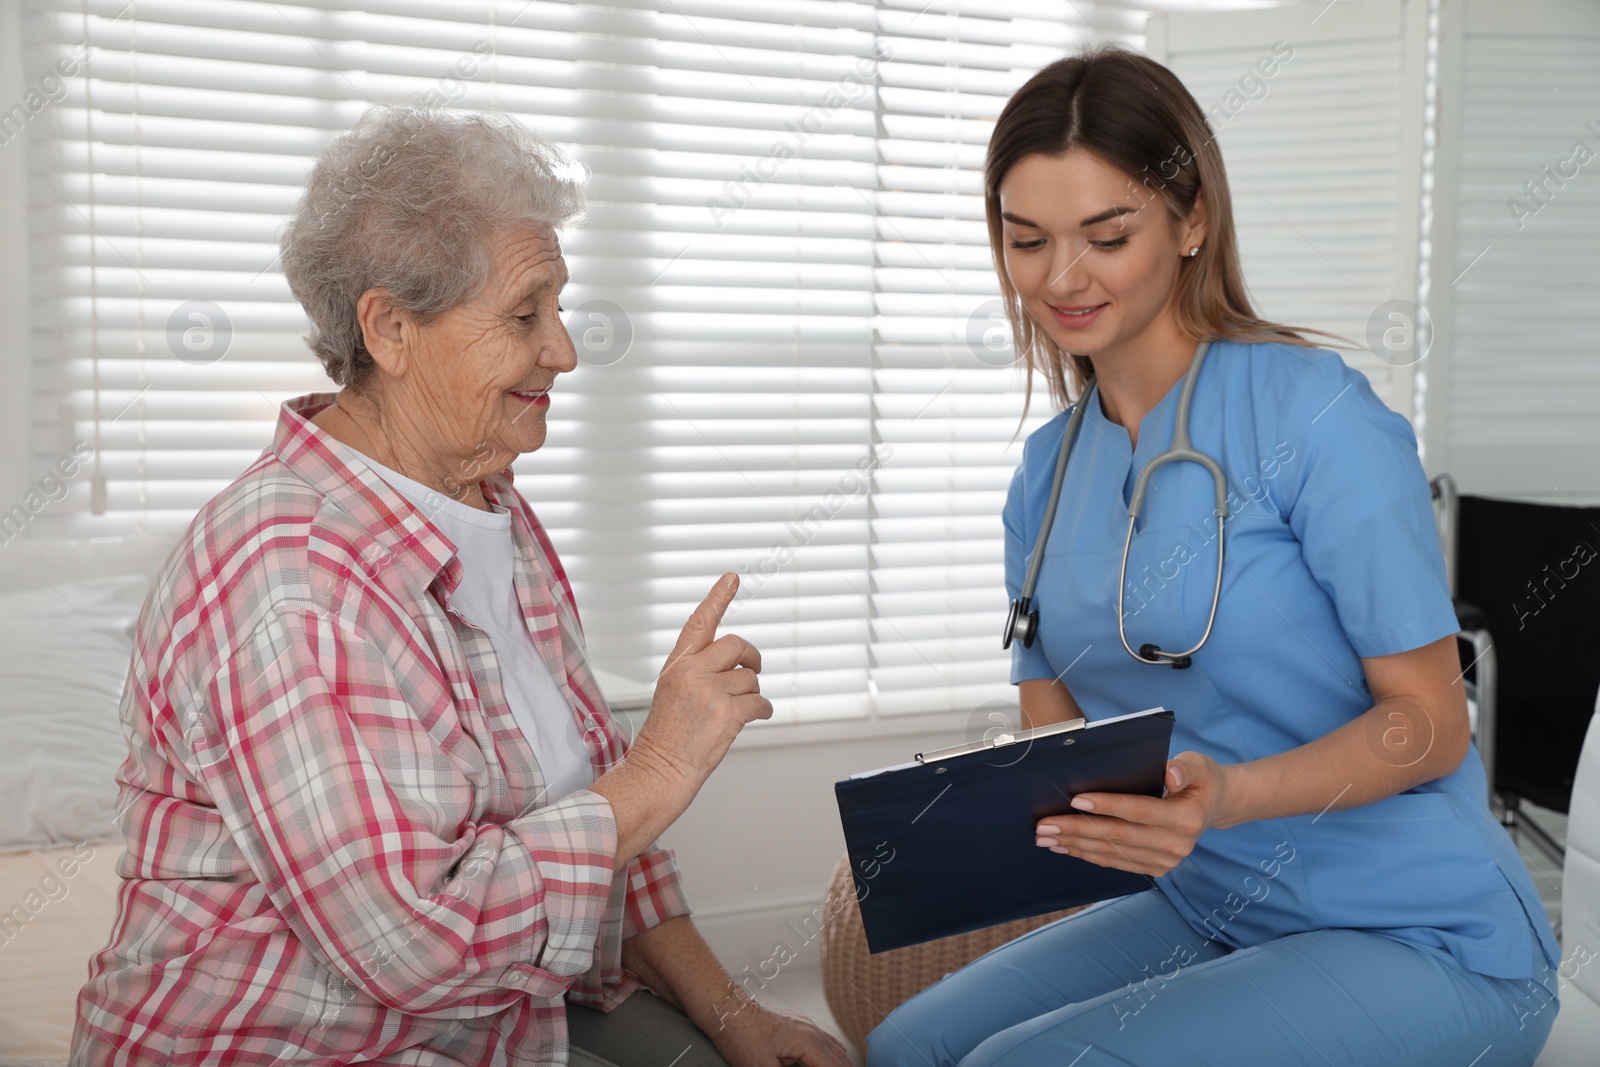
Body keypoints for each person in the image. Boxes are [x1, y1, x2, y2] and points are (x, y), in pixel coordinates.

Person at [70, 105, 847, 1067]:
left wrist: (738, 1017)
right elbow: (415, 941)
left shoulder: (488, 506)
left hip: (510, 1009)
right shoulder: (290, 580)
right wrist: (660, 769)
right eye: (526, 314)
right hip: (299, 1040)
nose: (564, 348)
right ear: (392, 329)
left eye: (558, 306)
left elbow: (594, 820)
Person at [866, 46, 1561, 1067]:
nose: (1062, 278)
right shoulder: (1044, 476)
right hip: (1210, 904)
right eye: (1026, 240)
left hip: (1421, 930)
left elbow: (1432, 724)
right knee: (905, 1046)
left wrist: (1224, 797)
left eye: (1107, 235)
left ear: (1191, 221)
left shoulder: (1317, 417)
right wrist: (948, 824)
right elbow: (1059, 752)